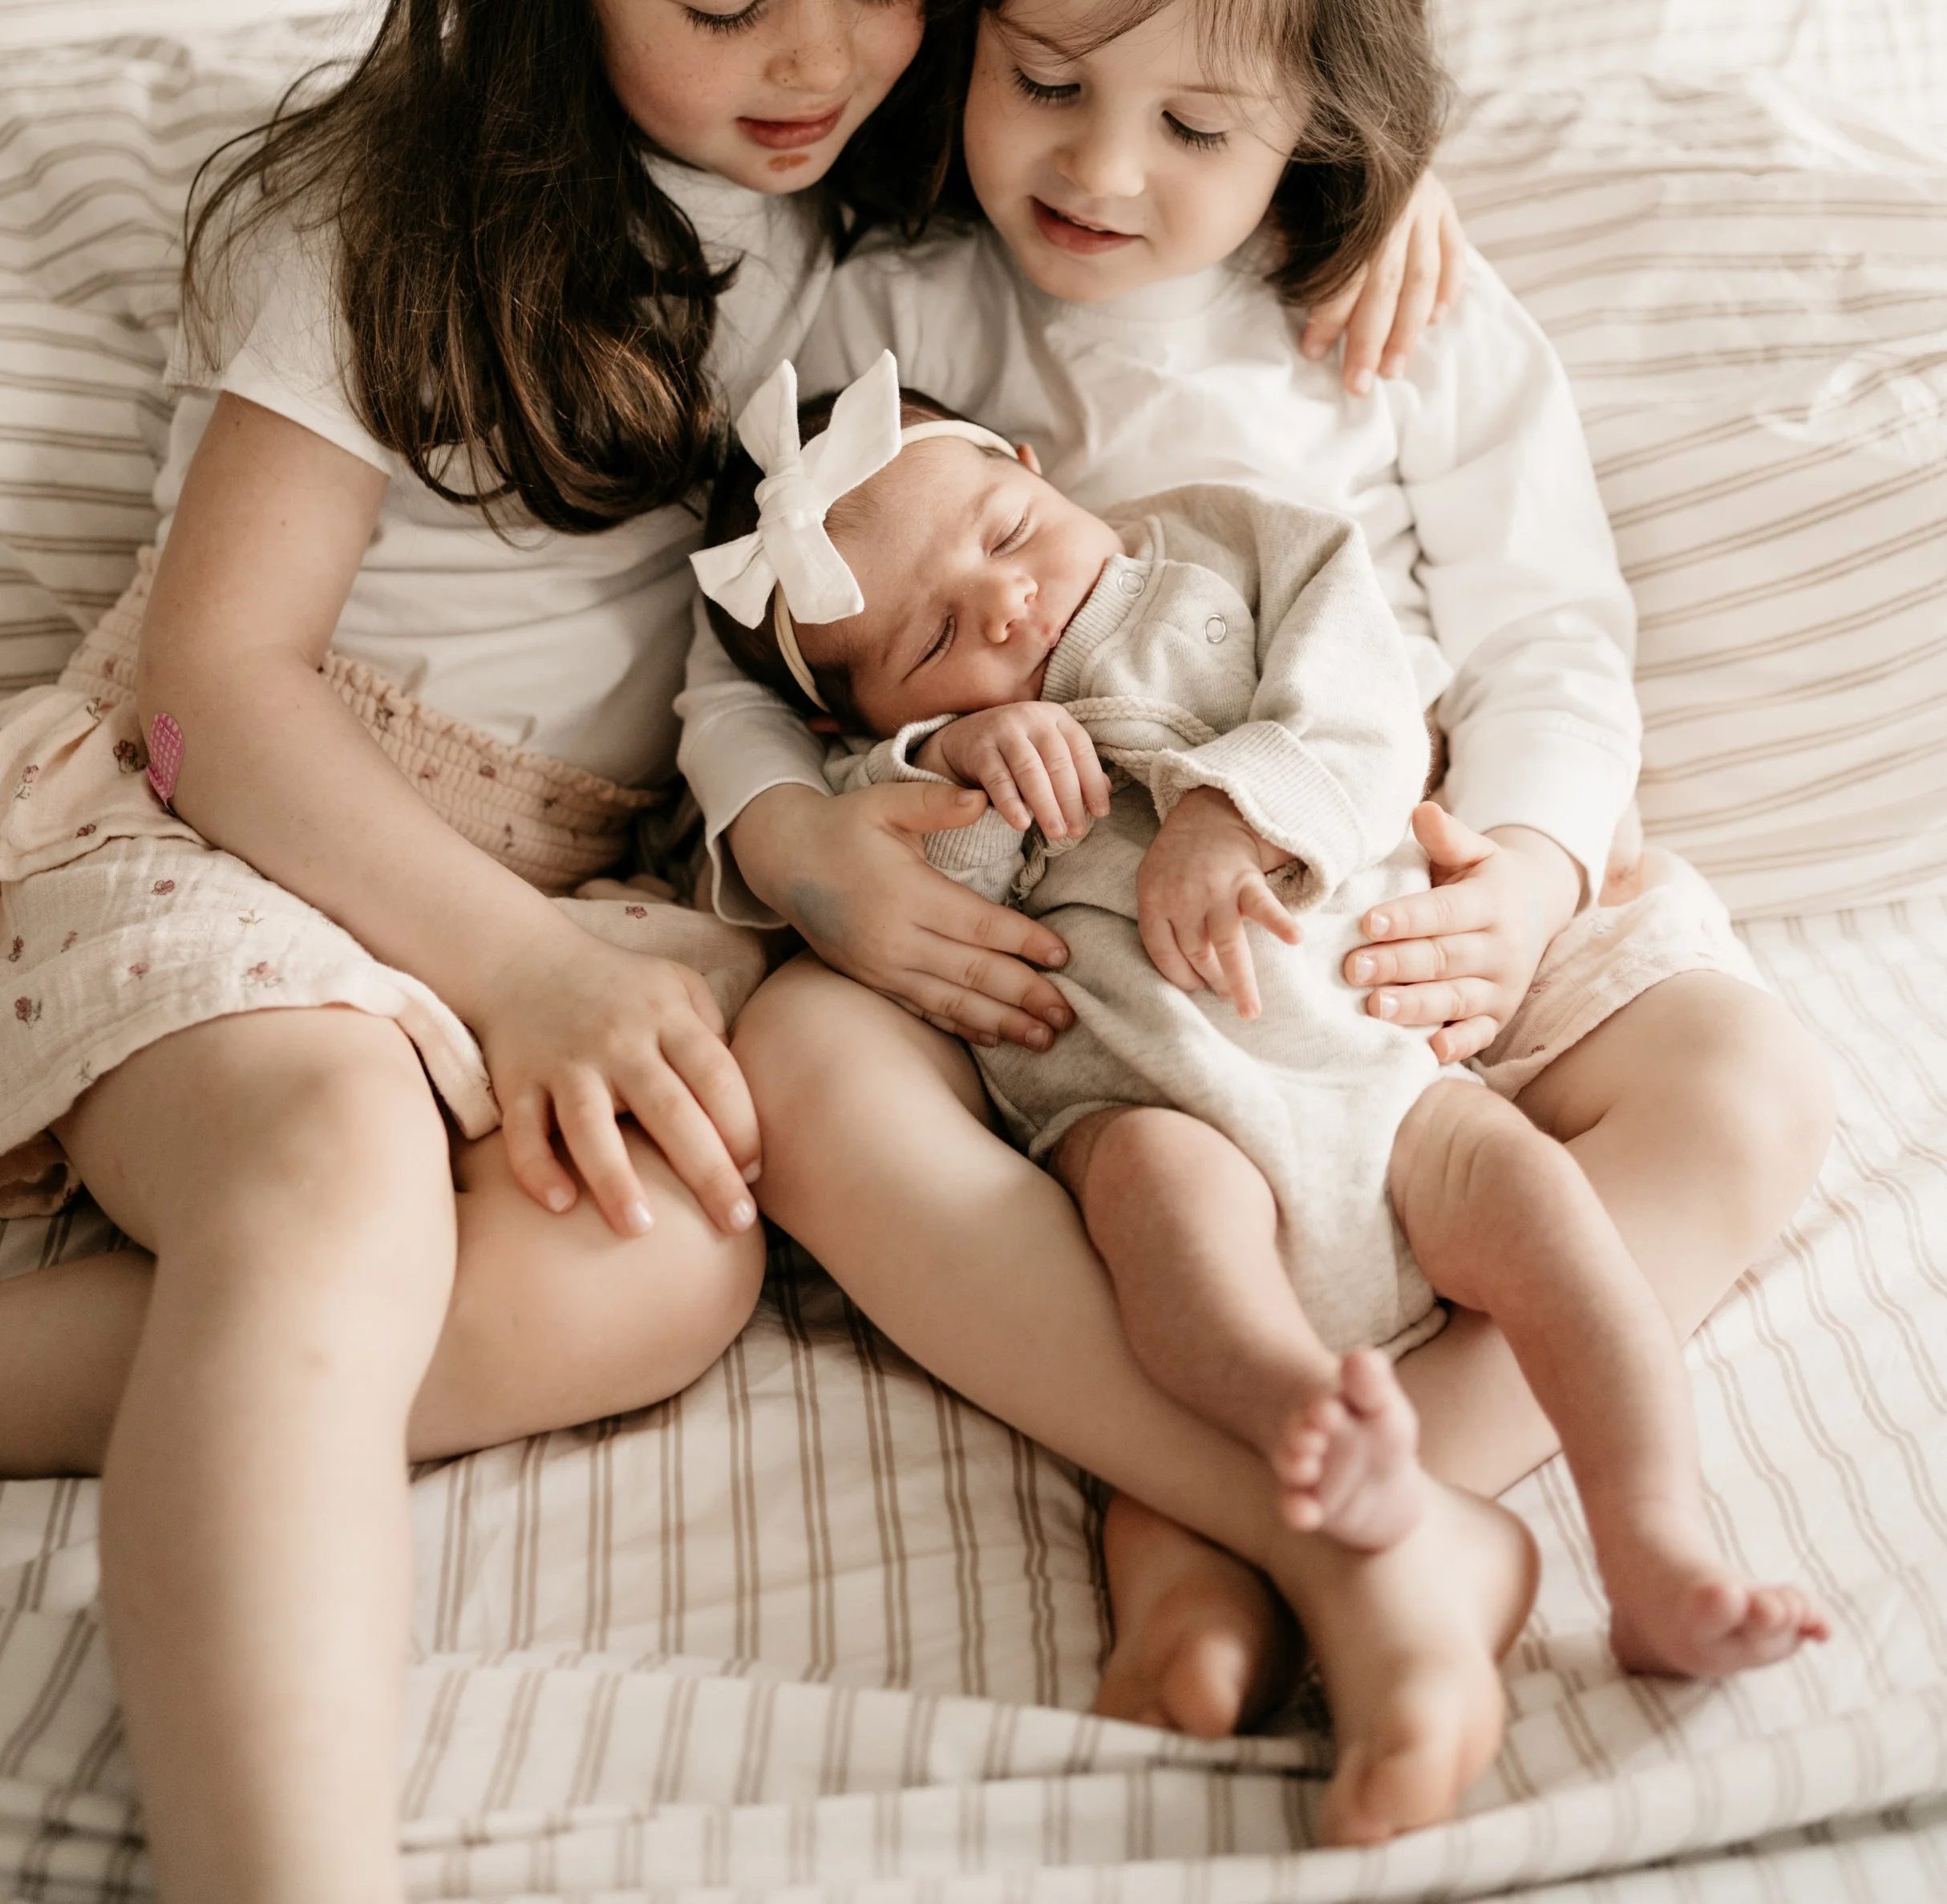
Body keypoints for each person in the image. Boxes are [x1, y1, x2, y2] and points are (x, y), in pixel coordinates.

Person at [0, 0, 1024, 1904]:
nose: (816, 62)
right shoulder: (383, 220)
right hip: (256, 824)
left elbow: (1186, 76)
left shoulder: (886, 190)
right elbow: (214, 688)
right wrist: (514, 964)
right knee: (330, 1176)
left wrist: (1371, 190)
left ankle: (156, 1387)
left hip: (582, 898)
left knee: (661, 1263)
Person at [682, 0, 1838, 1838]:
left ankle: (1267, 1512)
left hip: (1398, 908)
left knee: (1750, 1080)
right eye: (1044, 78)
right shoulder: (881, 307)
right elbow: (723, 671)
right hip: (1080, 978)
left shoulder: (1386, 303)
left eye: (1197, 118)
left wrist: (1515, 871)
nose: (1102, 168)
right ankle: (1370, 1541)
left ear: (1321, 105)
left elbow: (1550, 638)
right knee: (805, 1063)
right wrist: (810, 843)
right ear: (972, 19)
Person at [694, 352, 1827, 1827]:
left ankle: (1654, 1546)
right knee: (1176, 1263)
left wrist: (1241, 807)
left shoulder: (1218, 549)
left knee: (1550, 1215)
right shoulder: (915, 760)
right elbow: (912, 900)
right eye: (935, 639)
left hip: (1386, 1060)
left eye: (1004, 538)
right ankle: (1301, 1456)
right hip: (1148, 1105)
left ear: (1036, 468)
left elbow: (1369, 691)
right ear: (862, 719)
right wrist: (956, 765)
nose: (1006, 608)